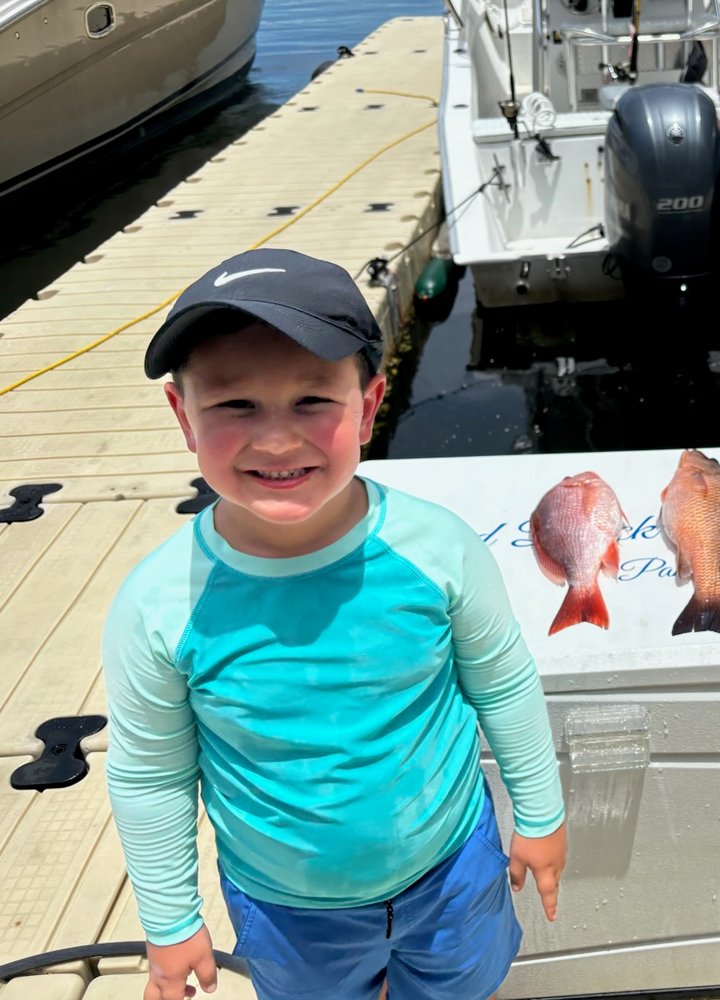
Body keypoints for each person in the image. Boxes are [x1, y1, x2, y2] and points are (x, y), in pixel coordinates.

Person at [102, 247, 567, 1000]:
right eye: (234, 405)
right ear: (183, 415)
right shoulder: (157, 602)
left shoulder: (437, 548)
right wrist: (170, 918)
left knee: (458, 988)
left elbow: (503, 682)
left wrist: (540, 815)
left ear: (370, 403)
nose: (277, 439)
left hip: (451, 865)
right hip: (285, 905)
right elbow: (150, 773)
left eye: (313, 400)